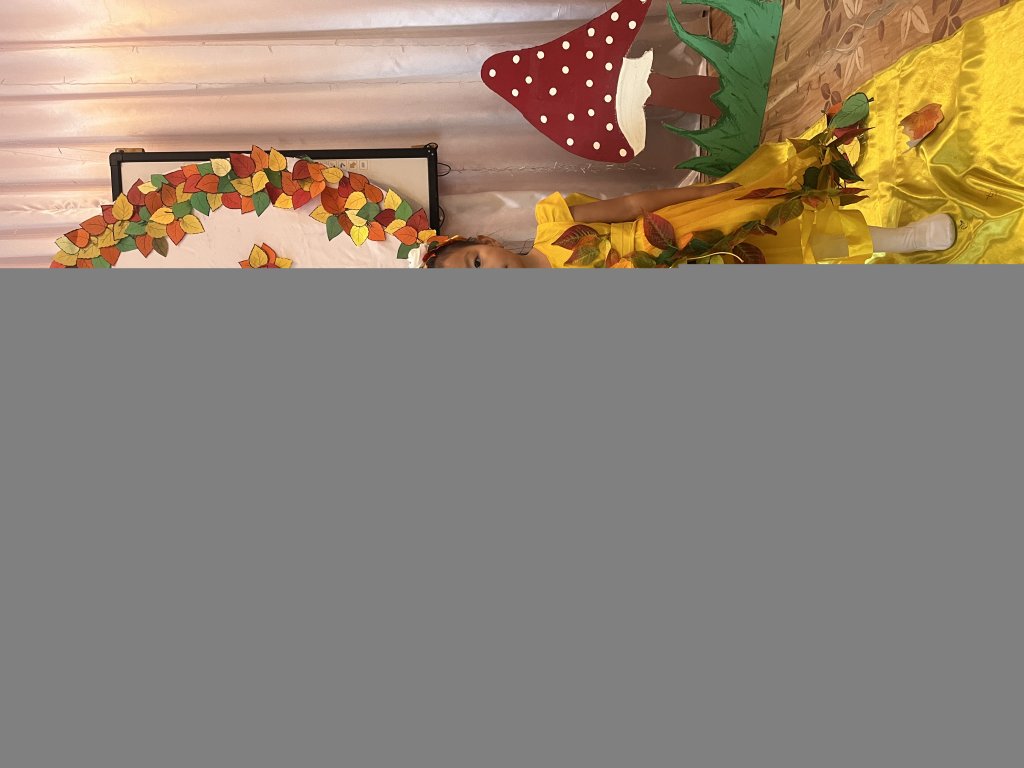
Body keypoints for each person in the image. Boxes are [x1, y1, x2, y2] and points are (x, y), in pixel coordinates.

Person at [419, 140, 956, 268]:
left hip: (683, 229)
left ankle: (900, 238)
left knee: (780, 235)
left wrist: (699, 192)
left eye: (475, 265)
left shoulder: (554, 223)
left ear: (486, 241)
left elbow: (633, 202)